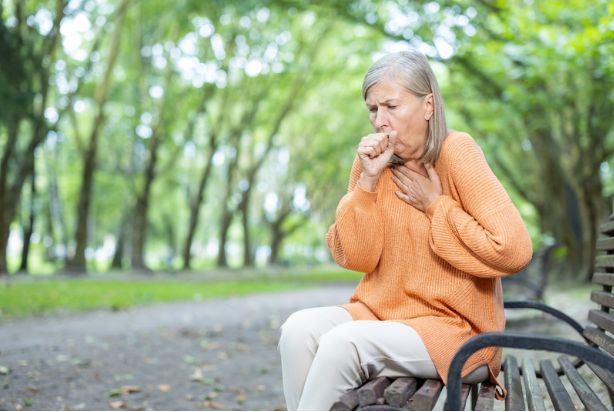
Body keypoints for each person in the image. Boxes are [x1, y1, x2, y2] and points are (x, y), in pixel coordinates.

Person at [278, 49, 533, 411]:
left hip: (456, 329)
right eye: (372, 109)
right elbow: (354, 256)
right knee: (297, 330)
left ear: (427, 106)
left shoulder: (456, 152)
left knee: (343, 344)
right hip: (382, 313)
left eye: (391, 106)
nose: (379, 120)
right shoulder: (371, 164)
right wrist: (366, 183)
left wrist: (437, 207)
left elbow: (514, 250)